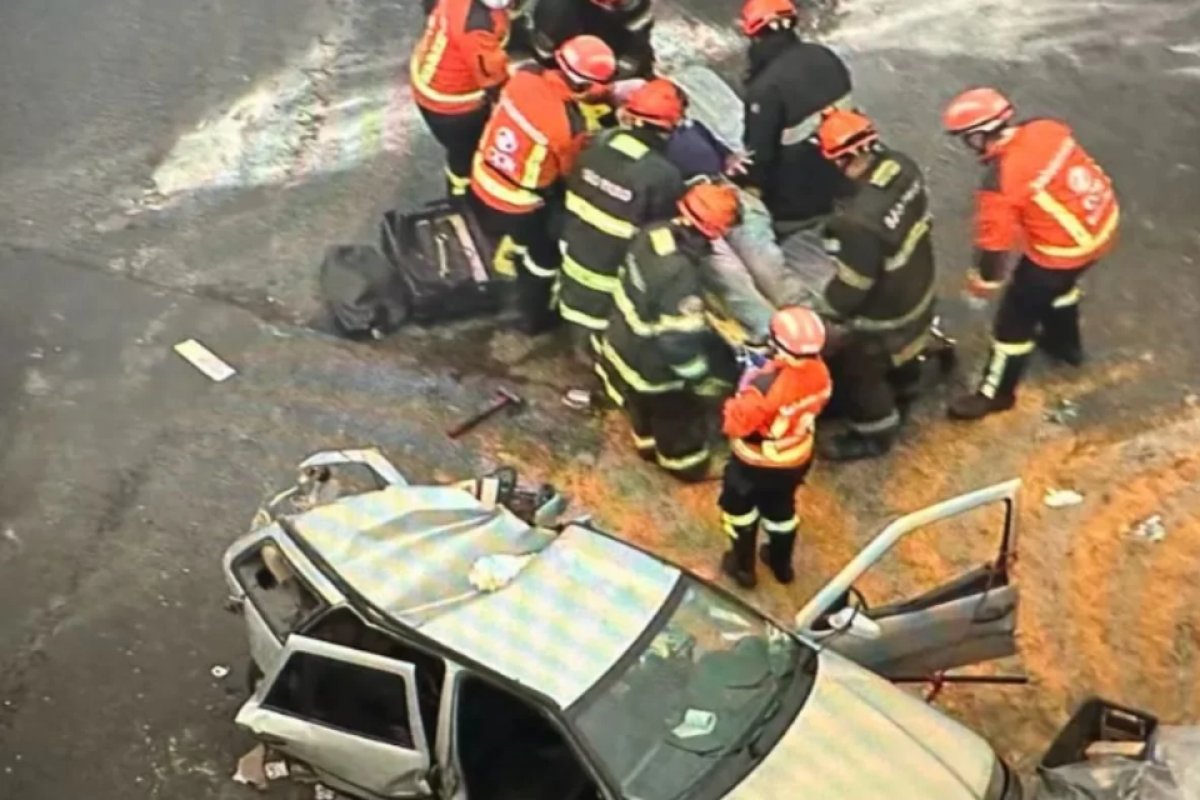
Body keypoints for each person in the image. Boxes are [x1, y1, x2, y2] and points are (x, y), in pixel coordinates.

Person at [942, 87, 1119, 420]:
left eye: (967, 138)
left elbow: (995, 245)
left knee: (1013, 322)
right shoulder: (1045, 128)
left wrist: (983, 282)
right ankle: (1066, 345)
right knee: (1061, 288)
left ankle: (996, 394)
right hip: (1101, 224)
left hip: (1061, 251)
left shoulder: (1001, 179)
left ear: (980, 135)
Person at [594, 183, 742, 481]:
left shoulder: (654, 234)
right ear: (713, 231)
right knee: (676, 417)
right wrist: (699, 378)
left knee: (641, 408)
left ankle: (647, 446)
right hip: (654, 368)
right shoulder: (680, 275)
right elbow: (677, 343)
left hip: (622, 342)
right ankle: (687, 466)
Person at [469, 35, 616, 334]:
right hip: (518, 201)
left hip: (483, 172)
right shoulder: (567, 127)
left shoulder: (525, 76)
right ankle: (532, 314)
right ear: (587, 85)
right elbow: (570, 170)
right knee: (545, 252)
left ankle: (512, 244)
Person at [813, 109, 937, 461]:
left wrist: (825, 316)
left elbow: (854, 285)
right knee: (906, 347)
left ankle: (874, 432)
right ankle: (908, 381)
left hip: (885, 313)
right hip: (919, 283)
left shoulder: (855, 222)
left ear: (843, 159)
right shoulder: (902, 167)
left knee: (858, 371)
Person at [557, 78, 687, 351]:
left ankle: (580, 348)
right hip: (612, 273)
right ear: (667, 129)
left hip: (574, 252)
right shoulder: (663, 175)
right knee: (604, 328)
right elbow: (660, 234)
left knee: (578, 314)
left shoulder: (599, 143)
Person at [718, 307, 831, 588]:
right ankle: (782, 565)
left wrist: (741, 390)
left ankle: (743, 567)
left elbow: (735, 424)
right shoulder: (821, 372)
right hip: (796, 457)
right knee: (781, 510)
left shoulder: (765, 386)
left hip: (755, 463)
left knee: (739, 511)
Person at [736, 0, 853, 233]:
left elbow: (760, 155)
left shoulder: (766, 88)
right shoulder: (823, 55)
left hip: (800, 196)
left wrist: (750, 191)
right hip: (845, 171)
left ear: (756, 35)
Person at [411, 0, 515, 200]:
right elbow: (492, 78)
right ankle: (461, 193)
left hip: (431, 73)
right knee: (468, 151)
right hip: (451, 104)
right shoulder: (478, 28)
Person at [528, 0, 656, 80]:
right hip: (568, 62)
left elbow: (640, 36)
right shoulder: (555, 17)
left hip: (610, 64)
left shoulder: (635, 7)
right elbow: (545, 56)